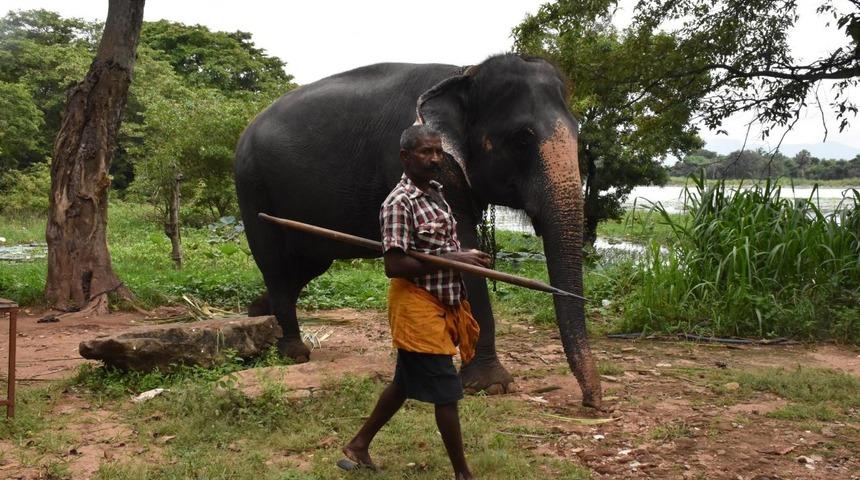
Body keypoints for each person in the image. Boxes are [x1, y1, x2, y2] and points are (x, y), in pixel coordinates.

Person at [339, 125, 491, 480]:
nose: (434, 159)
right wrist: (455, 260)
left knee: (404, 383)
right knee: (446, 392)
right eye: (426, 152)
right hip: (416, 304)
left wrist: (461, 254)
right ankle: (463, 474)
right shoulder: (399, 203)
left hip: (444, 301)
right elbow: (395, 265)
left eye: (438, 151)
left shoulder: (436, 193)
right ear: (406, 157)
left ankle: (358, 446)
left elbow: (437, 249)